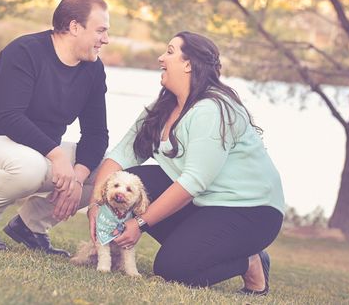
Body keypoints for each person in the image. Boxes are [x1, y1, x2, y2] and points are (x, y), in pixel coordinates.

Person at [87, 31, 284, 295]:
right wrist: (96, 205)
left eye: (169, 52)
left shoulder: (210, 110)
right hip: (207, 204)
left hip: (250, 212)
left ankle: (249, 260)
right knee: (132, 176)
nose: (161, 58)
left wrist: (141, 223)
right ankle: (184, 247)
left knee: (173, 269)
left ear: (188, 64)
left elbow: (193, 181)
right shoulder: (165, 105)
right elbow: (121, 155)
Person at [0, 0, 110, 255]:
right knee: (30, 165)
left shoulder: (93, 69)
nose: (105, 39)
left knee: (107, 172)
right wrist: (58, 157)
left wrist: (77, 176)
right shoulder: (25, 51)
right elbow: (9, 117)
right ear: (75, 27)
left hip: (38, 154)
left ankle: (31, 225)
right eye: (100, 30)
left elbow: (96, 133)